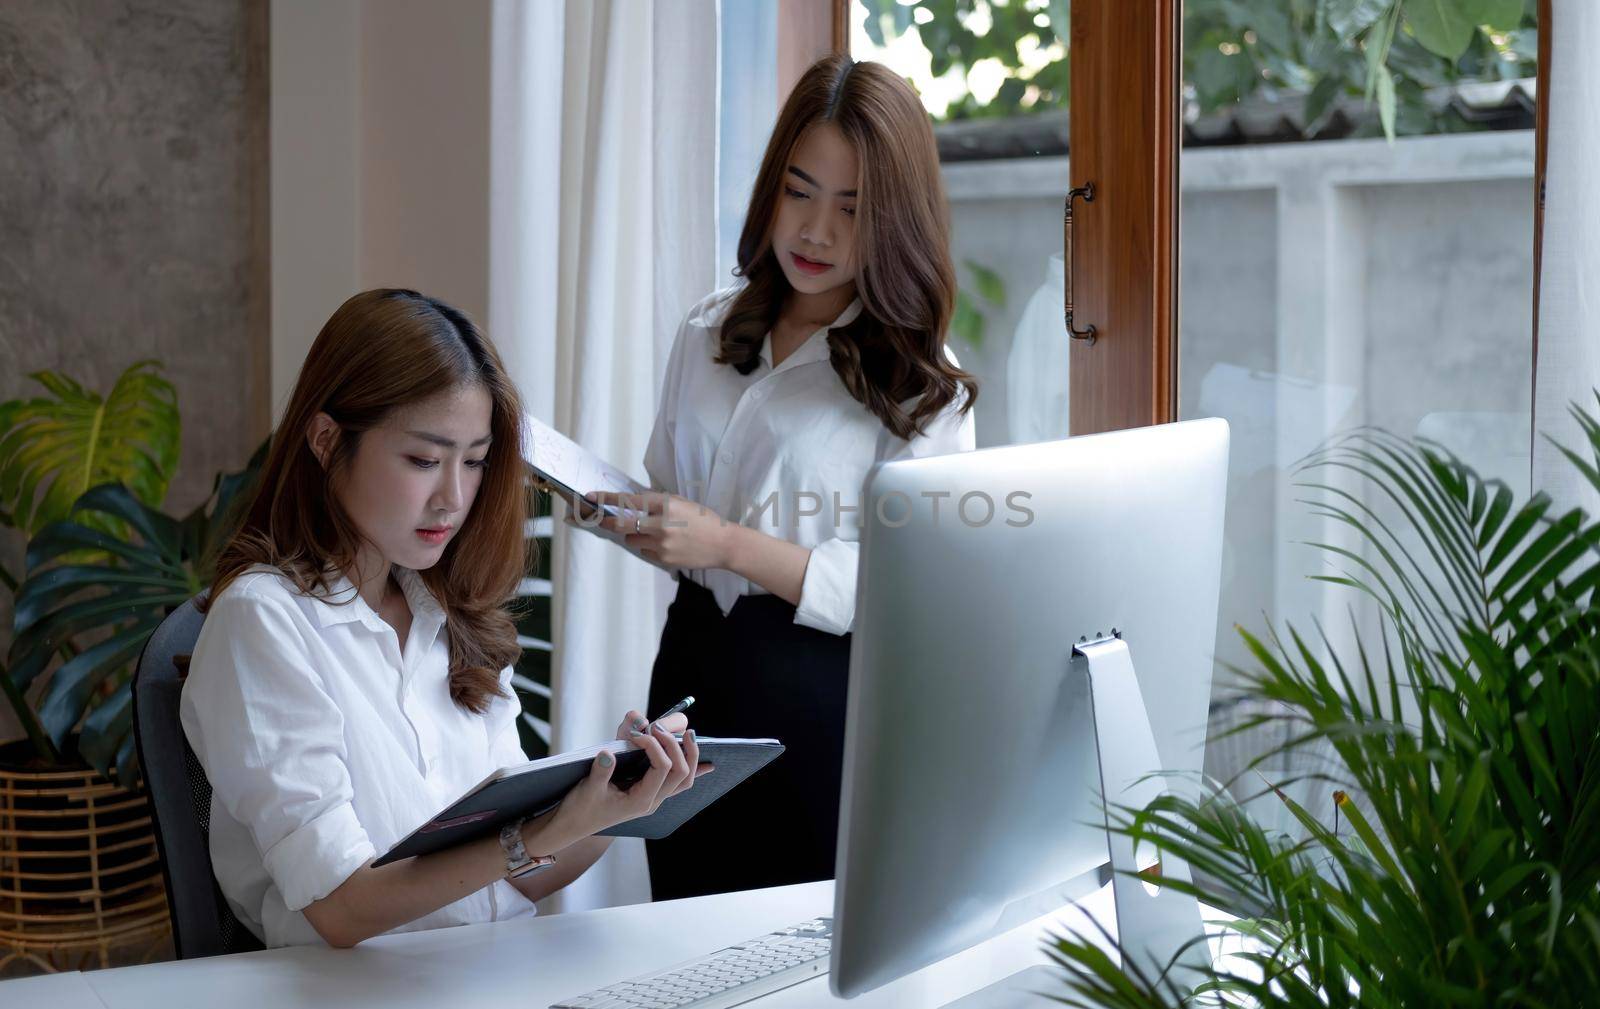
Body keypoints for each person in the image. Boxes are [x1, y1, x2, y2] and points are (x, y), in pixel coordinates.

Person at [180, 289, 705, 948]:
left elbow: (508, 883)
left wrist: (613, 805)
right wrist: (534, 835)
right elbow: (341, 906)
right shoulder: (264, 623)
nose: (452, 497)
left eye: (476, 461)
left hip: (488, 975)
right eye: (424, 460)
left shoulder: (450, 617)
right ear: (325, 441)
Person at [582, 55, 979, 899]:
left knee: (806, 955)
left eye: (852, 209)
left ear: (897, 220)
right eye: (799, 192)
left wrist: (725, 539)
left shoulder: (922, 381)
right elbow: (686, 521)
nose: (816, 232)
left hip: (824, 697)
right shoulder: (706, 332)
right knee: (685, 945)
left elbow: (905, 585)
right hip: (691, 669)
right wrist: (640, 522)